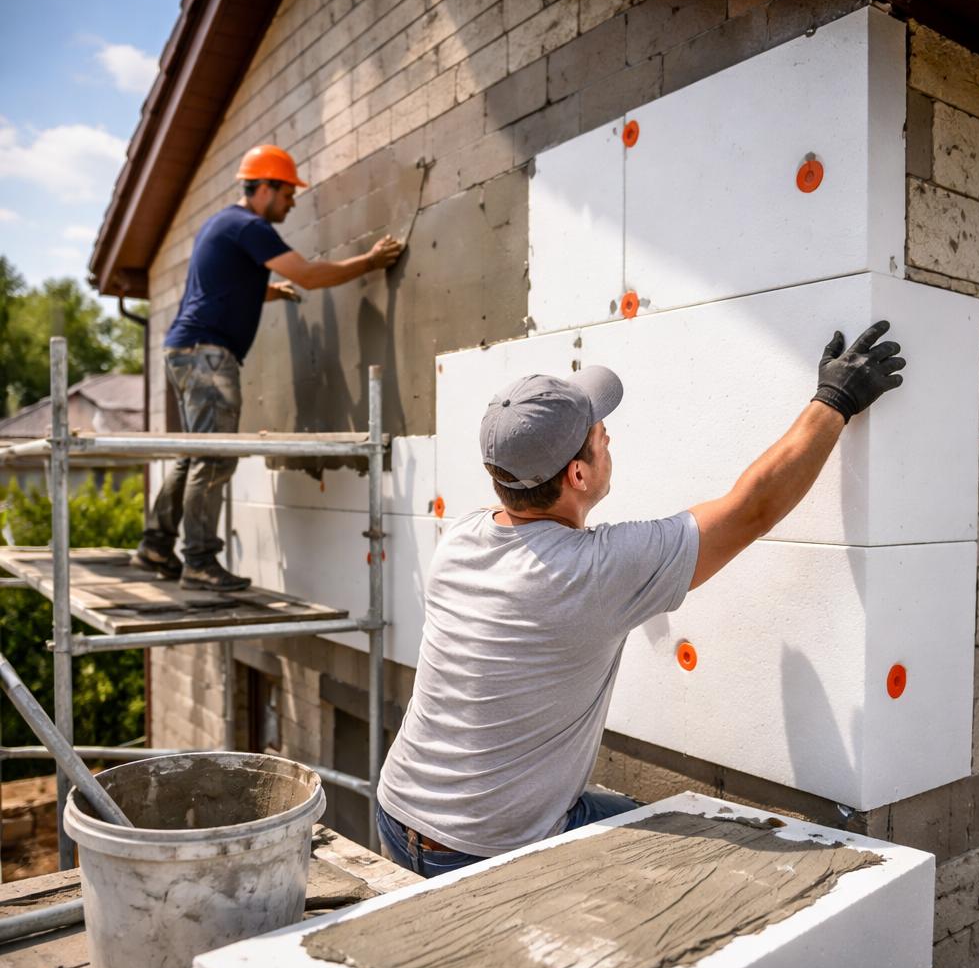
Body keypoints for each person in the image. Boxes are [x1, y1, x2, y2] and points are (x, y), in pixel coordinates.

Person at [376, 322, 905, 877]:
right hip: (486, 847)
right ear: (578, 474)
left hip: (398, 808)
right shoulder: (594, 572)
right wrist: (835, 401)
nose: (607, 437)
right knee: (679, 868)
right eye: (598, 434)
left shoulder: (462, 537)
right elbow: (752, 509)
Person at [132, 144, 404, 591]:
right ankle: (198, 561)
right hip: (208, 355)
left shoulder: (221, 223)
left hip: (184, 350)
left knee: (194, 455)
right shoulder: (250, 227)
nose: (292, 203)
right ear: (264, 188)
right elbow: (309, 274)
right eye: (288, 193)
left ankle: (155, 547)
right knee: (214, 457)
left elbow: (227, 285)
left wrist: (271, 292)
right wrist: (370, 262)